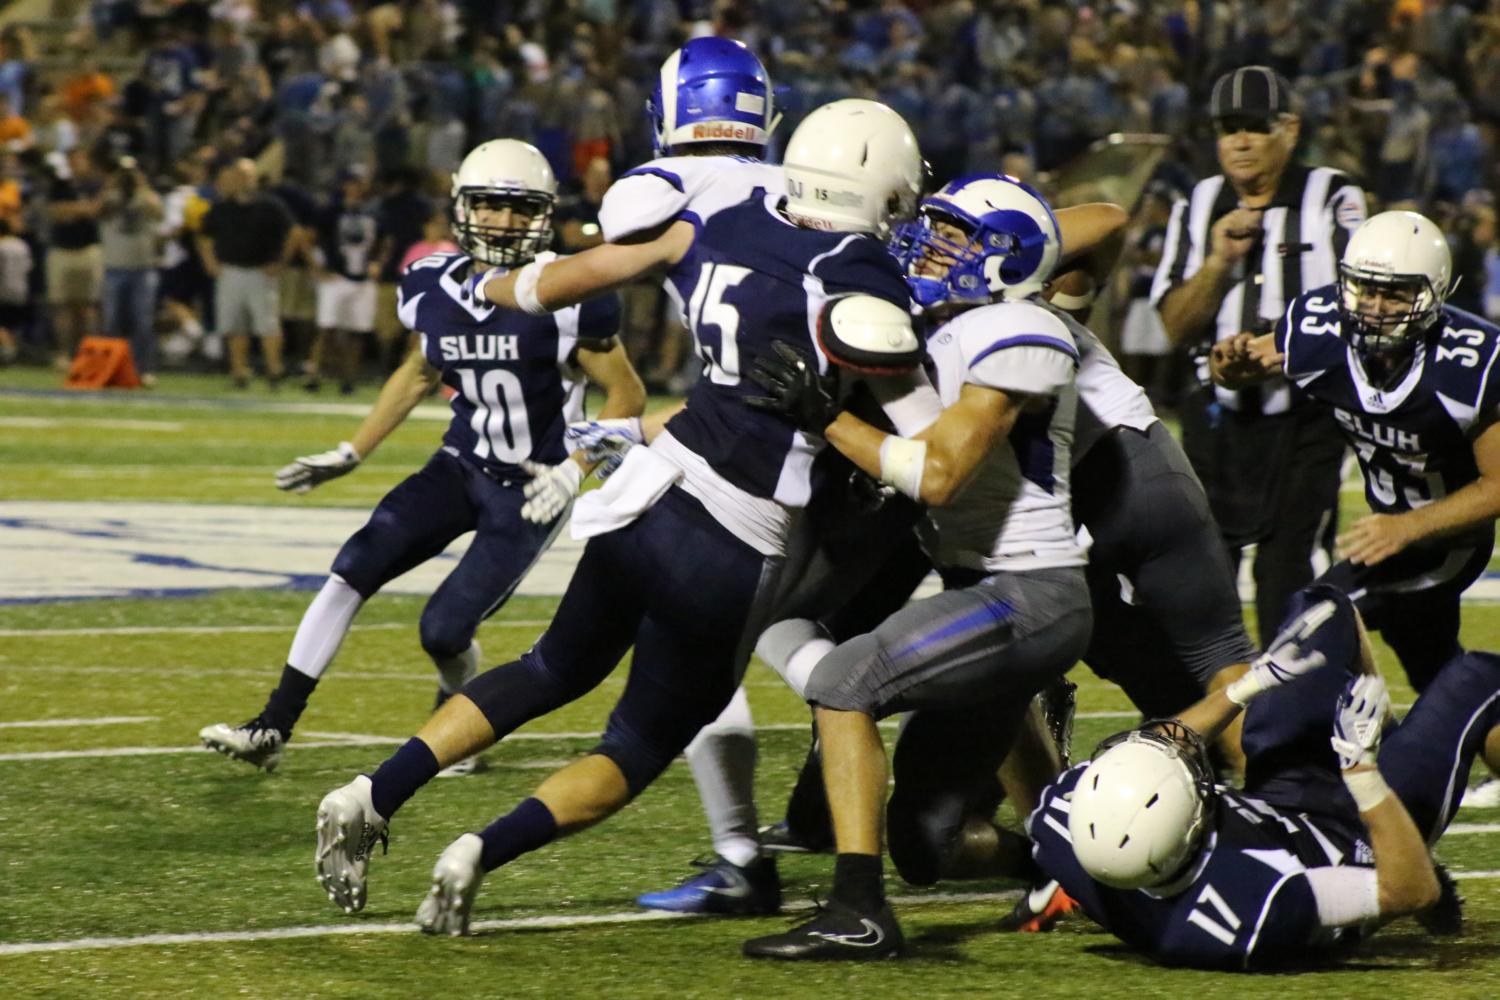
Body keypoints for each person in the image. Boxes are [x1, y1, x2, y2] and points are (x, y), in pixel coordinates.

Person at [310, 97, 925, 936]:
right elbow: (910, 426)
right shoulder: (862, 272)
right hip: (737, 541)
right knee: (634, 747)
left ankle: (371, 792)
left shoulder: (733, 220)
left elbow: (594, 269)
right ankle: (477, 851)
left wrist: (500, 290)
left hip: (648, 496)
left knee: (546, 668)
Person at [198, 139, 643, 773]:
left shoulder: (568, 291)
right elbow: (416, 373)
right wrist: (354, 450)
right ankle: (273, 725)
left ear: (543, 215)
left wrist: (576, 472)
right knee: (353, 566)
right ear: (463, 207)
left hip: (530, 488)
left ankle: (456, 716)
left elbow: (628, 395)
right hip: (459, 466)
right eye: (490, 206)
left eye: (520, 210)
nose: (504, 222)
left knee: (442, 631)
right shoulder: (430, 281)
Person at [740, 175, 1093, 961]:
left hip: (1030, 589)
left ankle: (857, 911)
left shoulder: (1017, 329)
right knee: (927, 843)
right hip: (982, 590)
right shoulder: (939, 325)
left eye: (955, 236)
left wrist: (830, 417)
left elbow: (938, 475)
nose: (930, 245)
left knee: (842, 682)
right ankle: (1080, 867)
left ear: (1011, 257)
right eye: (931, 228)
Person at [1031, 583, 1494, 969]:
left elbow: (1165, 745)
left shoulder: (1073, 824)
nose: (1183, 752)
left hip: (1280, 802)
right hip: (1356, 844)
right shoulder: (1259, 902)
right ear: (1194, 831)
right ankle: (1388, 753)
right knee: (1477, 677)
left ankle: (1382, 726)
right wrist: (1360, 768)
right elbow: (1411, 889)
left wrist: (1247, 685)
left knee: (1323, 606)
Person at [1211, 208, 1500, 787]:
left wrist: (1409, 528)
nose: (1374, 307)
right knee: (1440, 671)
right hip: (1395, 530)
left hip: (1443, 540)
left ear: (1434, 295)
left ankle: (1297, 784)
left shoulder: (1467, 365)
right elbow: (1249, 365)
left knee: (1314, 620)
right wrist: (1232, 365)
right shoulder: (1320, 326)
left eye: (1395, 294)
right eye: (1364, 288)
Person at [1152, 65, 1366, 642]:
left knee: (1286, 574)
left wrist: (1277, 352)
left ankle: (1296, 712)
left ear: (1289, 130)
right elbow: (1173, 325)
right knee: (1204, 578)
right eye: (1228, 128)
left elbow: (1362, 309)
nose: (1239, 141)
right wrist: (1219, 264)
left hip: (1307, 414)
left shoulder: (1333, 196)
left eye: (1254, 126)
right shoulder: (1198, 204)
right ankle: (1218, 717)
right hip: (1217, 421)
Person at [196, 158, 295, 388]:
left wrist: (281, 261)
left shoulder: (271, 206)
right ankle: (239, 371)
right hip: (230, 270)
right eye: (238, 175)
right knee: (234, 325)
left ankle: (274, 370)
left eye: (246, 175)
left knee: (267, 324)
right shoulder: (222, 207)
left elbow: (294, 233)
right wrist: (210, 262)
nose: (242, 180)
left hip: (261, 271)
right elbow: (204, 236)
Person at [308, 166, 384, 394]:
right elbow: (307, 237)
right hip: (336, 276)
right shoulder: (330, 211)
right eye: (353, 183)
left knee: (356, 332)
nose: (356, 188)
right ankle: (314, 375)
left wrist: (378, 262)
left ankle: (349, 379)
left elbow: (385, 241)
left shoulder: (374, 211)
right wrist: (316, 266)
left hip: (362, 279)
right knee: (327, 328)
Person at [98, 155, 163, 383]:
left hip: (142, 268)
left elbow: (158, 212)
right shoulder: (110, 196)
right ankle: (109, 370)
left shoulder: (146, 197)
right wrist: (111, 186)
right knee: (111, 322)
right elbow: (97, 210)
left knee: (142, 321)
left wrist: (141, 187)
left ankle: (142, 369)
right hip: (114, 266)